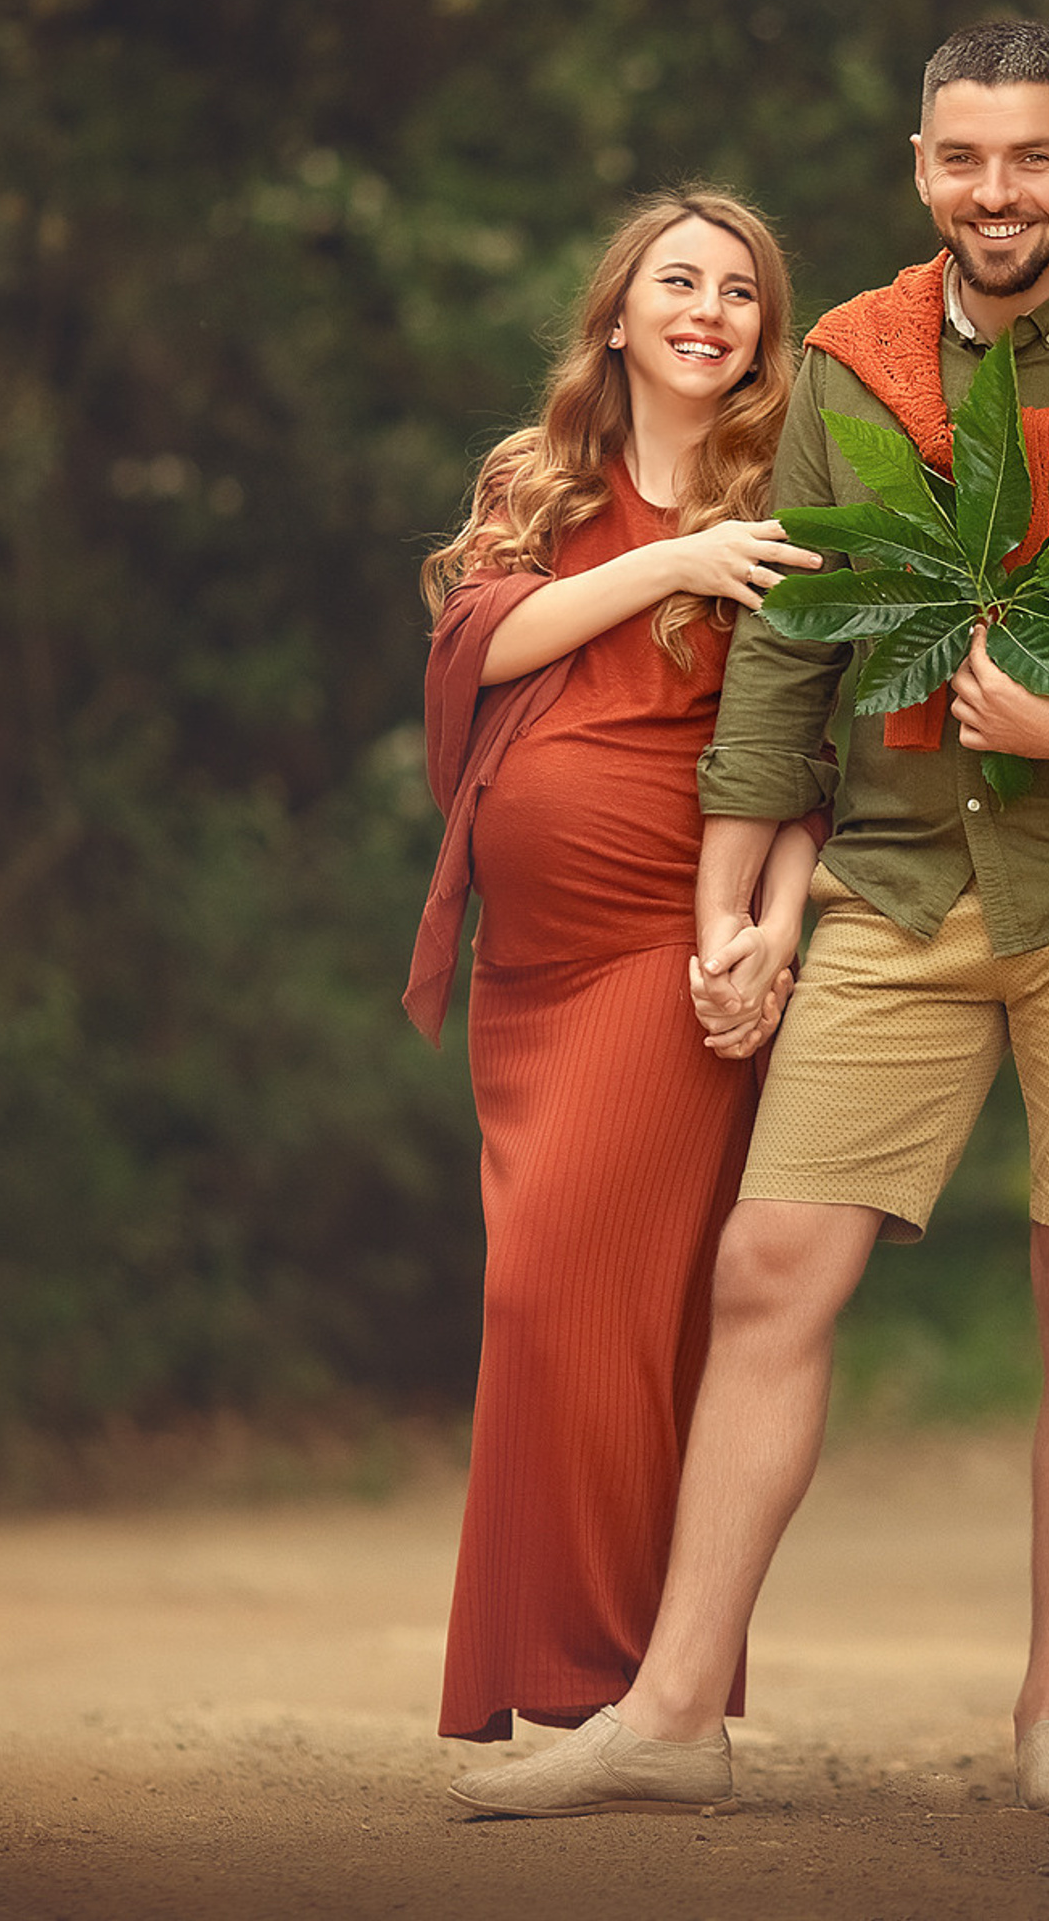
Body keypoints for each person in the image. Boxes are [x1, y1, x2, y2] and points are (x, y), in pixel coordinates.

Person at [447, 20, 1049, 1823]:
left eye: (1032, 160)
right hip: (903, 883)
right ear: (921, 165)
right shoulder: (857, 363)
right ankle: (674, 1719)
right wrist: (731, 907)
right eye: (961, 160)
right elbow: (789, 654)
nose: (996, 193)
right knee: (776, 1264)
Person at [404, 185, 826, 1754]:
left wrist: (769, 923)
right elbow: (478, 647)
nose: (710, 309)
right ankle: (621, 1684)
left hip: (669, 941)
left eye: (740, 293)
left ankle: (618, 1685)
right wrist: (672, 566)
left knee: (569, 1293)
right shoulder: (545, 480)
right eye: (680, 282)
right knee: (591, 1311)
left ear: (764, 337)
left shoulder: (786, 491)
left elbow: (816, 750)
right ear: (621, 314)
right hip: (533, 976)